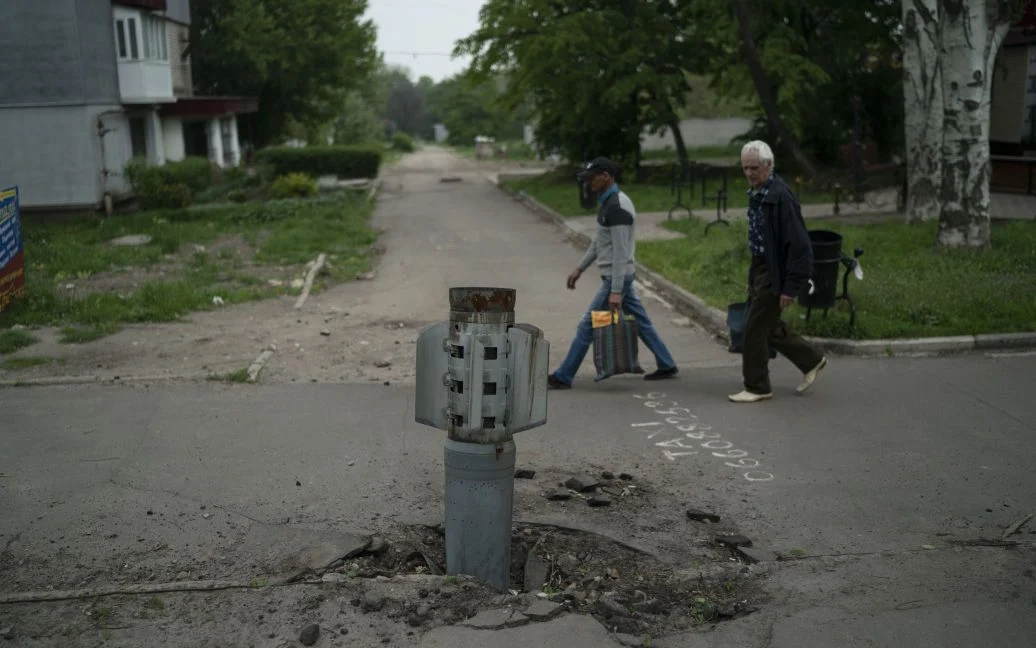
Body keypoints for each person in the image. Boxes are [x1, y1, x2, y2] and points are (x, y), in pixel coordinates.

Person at [547, 157, 678, 389]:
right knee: (641, 321)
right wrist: (580, 268)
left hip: (618, 277)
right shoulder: (608, 203)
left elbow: (620, 253)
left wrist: (616, 290)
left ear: (606, 176)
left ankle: (564, 376)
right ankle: (666, 363)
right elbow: (599, 243)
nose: (588, 183)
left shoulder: (618, 207)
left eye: (592, 178)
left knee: (587, 325)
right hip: (618, 276)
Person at [729, 140, 827, 403]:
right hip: (762, 268)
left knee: (754, 329)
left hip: (778, 272)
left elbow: (800, 246)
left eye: (755, 167)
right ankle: (812, 360)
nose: (750, 173)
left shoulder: (780, 196)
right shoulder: (758, 193)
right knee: (768, 326)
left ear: (768, 166)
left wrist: (790, 287)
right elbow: (759, 243)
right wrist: (752, 277)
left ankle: (757, 387)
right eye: (746, 168)